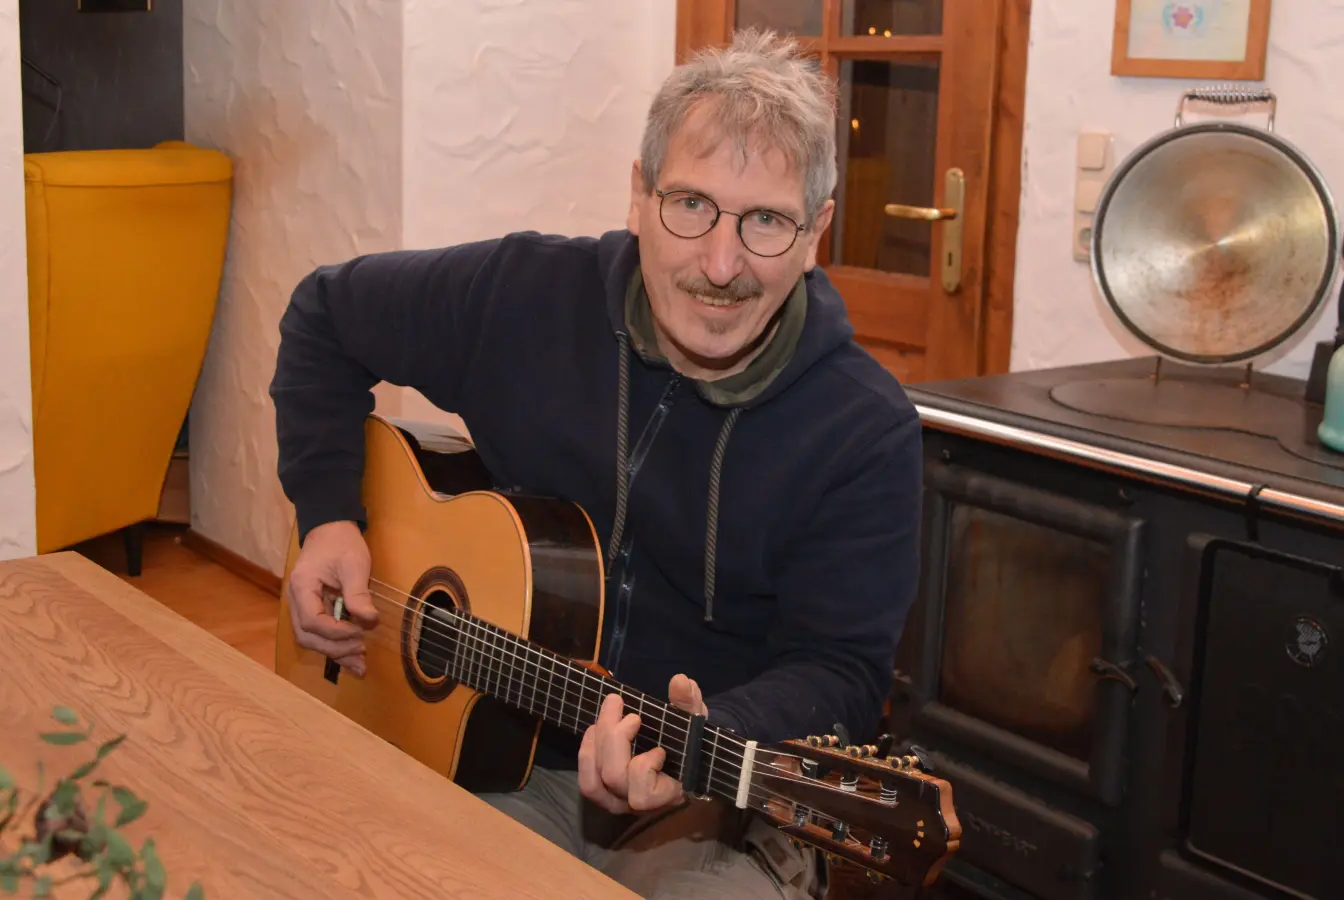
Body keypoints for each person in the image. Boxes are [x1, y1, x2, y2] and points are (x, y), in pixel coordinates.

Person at [268, 27, 923, 900]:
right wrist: (329, 518)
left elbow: (842, 670)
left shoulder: (862, 428)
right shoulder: (526, 296)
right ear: (639, 196)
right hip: (485, 749)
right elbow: (323, 316)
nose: (720, 265)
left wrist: (711, 733)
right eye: (690, 204)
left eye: (765, 221)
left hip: (707, 804)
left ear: (815, 236)